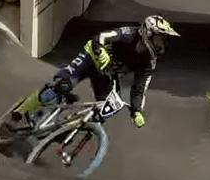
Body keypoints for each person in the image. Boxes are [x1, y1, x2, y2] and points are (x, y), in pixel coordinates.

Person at [10, 15, 181, 130]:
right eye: (161, 39)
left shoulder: (149, 61)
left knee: (104, 113)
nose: (163, 45)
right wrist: (101, 53)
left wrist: (136, 111)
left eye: (165, 41)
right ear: (148, 34)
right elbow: (100, 37)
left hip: (106, 74)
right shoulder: (129, 33)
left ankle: (65, 132)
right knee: (62, 85)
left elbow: (139, 88)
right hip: (90, 58)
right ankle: (22, 109)